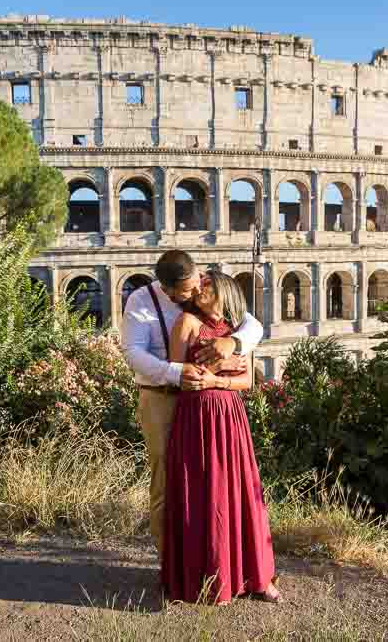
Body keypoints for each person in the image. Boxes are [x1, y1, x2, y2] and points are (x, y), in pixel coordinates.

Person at [120, 250, 263, 559]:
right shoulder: (140, 301)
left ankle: (211, 555)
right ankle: (170, 560)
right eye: (186, 292)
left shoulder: (205, 286)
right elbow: (132, 353)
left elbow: (252, 324)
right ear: (167, 289)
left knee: (207, 481)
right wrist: (174, 372)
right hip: (160, 398)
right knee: (166, 481)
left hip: (203, 403)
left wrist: (234, 342)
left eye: (198, 285)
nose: (196, 292)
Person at [161, 270, 280, 605]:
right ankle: (207, 580)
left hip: (229, 414)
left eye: (208, 284)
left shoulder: (235, 331)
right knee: (204, 495)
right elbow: (177, 372)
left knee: (241, 492)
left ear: (225, 290)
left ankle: (256, 576)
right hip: (197, 415)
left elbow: (247, 381)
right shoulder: (186, 322)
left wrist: (217, 381)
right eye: (199, 285)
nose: (201, 289)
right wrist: (207, 376)